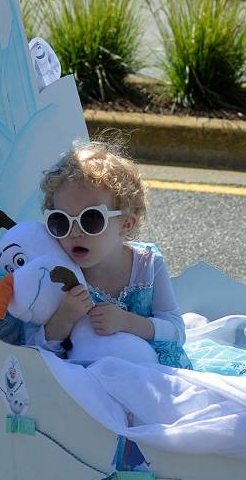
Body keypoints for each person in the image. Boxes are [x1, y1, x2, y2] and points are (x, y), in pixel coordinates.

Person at [33, 140, 192, 369]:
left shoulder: (148, 264)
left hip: (154, 373)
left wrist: (127, 322)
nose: (75, 232)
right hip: (87, 378)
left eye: (91, 219)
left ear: (126, 224)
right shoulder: (58, 272)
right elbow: (36, 350)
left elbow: (176, 330)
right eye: (61, 221)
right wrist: (63, 319)